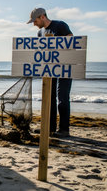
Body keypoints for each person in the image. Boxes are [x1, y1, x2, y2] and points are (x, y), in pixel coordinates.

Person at [27, 7, 73, 138]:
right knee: (49, 99)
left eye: (34, 21)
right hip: (49, 70)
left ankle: (64, 129)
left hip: (64, 68)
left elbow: (72, 43)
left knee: (62, 99)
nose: (34, 24)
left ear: (42, 17)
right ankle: (49, 128)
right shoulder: (40, 33)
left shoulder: (60, 25)